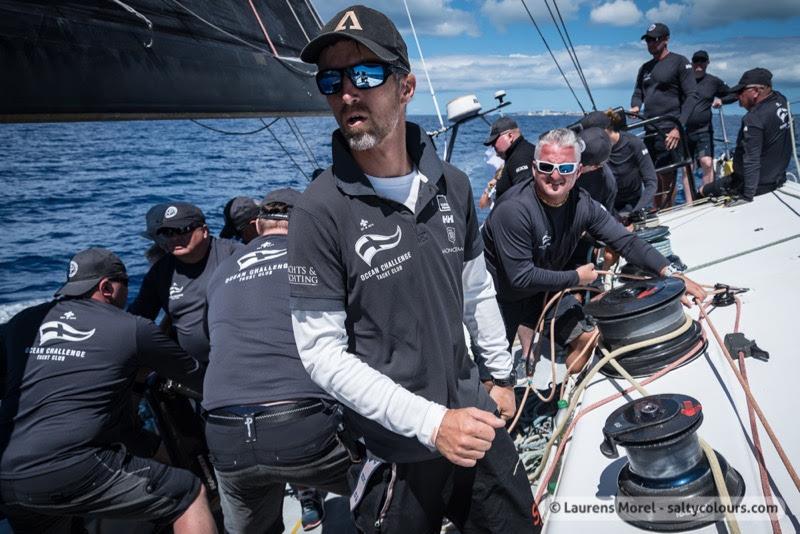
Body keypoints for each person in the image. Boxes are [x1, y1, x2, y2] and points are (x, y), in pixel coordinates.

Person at [290, 5, 534, 532]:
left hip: (474, 418)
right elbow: (321, 356)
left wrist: (499, 374)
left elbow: (476, 290)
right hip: (393, 449)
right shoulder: (317, 211)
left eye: (365, 73)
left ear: (406, 87)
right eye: (331, 80)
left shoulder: (456, 185)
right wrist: (430, 423)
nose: (347, 93)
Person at [0, 248, 215, 533]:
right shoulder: (133, 328)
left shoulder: (21, 322)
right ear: (107, 287)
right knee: (188, 495)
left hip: (7, 475)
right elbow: (198, 379)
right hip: (71, 469)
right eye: (125, 285)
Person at [482, 128, 707, 389]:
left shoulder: (582, 204)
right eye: (546, 167)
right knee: (493, 381)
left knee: (589, 339)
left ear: (578, 171)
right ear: (533, 168)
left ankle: (565, 397)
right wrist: (576, 278)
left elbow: (625, 240)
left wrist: (669, 273)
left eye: (565, 168)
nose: (555, 176)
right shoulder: (513, 210)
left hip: (545, 289)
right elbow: (520, 278)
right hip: (501, 297)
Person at [203, 188, 351, 534]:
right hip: (303, 428)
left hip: (225, 437)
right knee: (391, 479)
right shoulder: (318, 257)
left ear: (257, 225)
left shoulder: (222, 270)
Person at [129, 202, 241, 363]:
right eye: (167, 233)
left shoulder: (234, 254)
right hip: (193, 369)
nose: (175, 237)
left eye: (182, 230)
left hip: (240, 360)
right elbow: (137, 320)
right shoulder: (159, 273)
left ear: (204, 231)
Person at [631, 22, 698, 208]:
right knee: (651, 175)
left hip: (669, 129)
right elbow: (638, 93)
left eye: (655, 40)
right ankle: (655, 212)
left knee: (666, 174)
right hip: (650, 129)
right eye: (648, 40)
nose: (651, 44)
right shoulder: (644, 68)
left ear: (666, 40)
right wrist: (635, 106)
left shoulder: (679, 62)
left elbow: (692, 96)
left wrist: (678, 127)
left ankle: (666, 213)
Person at [700, 68, 792, 203]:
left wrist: (747, 196)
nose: (737, 97)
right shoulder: (781, 100)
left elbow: (751, 159)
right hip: (777, 178)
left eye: (740, 92)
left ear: (755, 92)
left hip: (753, 184)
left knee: (702, 191)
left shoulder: (754, 118)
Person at [582, 110, 657, 218]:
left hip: (630, 205)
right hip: (603, 206)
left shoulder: (634, 144)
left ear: (605, 130)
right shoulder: (593, 151)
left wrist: (637, 211)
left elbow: (651, 182)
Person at [685, 50, 737, 186]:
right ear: (692, 63)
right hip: (684, 130)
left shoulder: (713, 82)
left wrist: (721, 100)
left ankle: (708, 195)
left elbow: (734, 94)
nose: (699, 63)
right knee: (687, 168)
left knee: (706, 162)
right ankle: (690, 203)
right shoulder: (684, 80)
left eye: (702, 60)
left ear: (707, 63)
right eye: (696, 60)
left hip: (703, 130)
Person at [483, 116, 537, 200]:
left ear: (510, 136)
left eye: (494, 141)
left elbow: (525, 198)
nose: (493, 146)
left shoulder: (521, 157)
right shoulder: (515, 154)